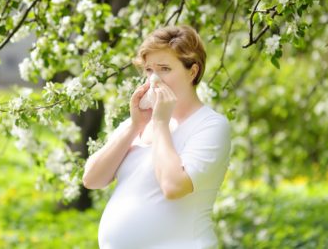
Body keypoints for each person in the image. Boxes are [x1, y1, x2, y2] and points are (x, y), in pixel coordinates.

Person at [82, 25, 231, 249]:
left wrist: (161, 123)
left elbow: (173, 186)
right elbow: (92, 179)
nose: (154, 80)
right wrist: (135, 126)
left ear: (192, 71)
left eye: (164, 69)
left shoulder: (210, 125)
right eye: (149, 70)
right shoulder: (140, 122)